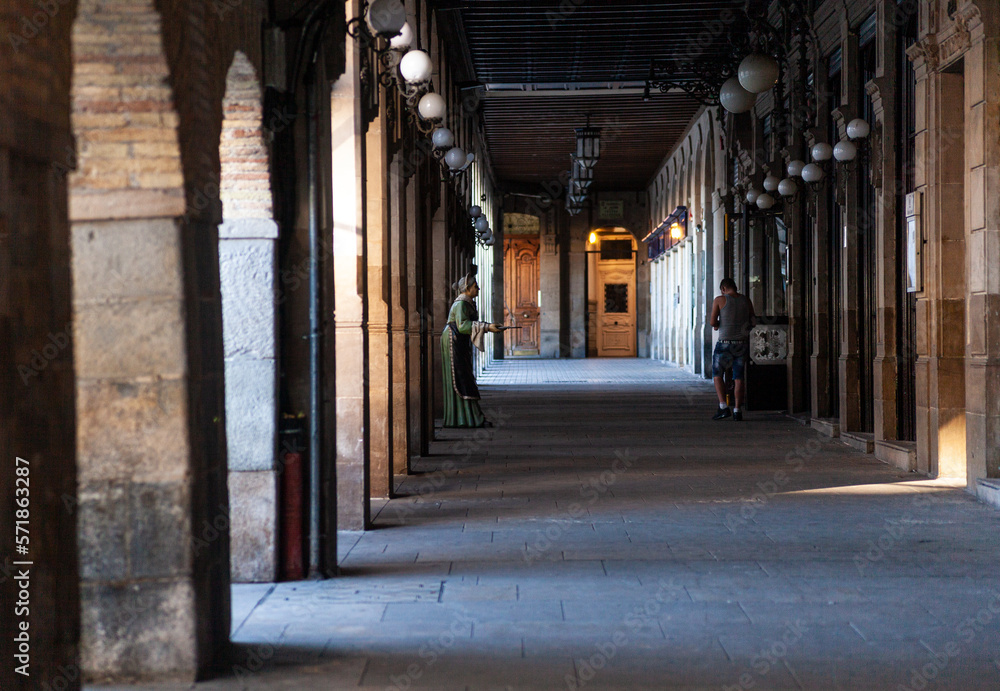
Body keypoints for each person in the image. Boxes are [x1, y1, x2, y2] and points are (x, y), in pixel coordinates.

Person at [441, 271, 502, 428]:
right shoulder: (461, 303)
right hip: (452, 340)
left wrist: (488, 326)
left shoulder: (466, 302)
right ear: (467, 289)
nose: (478, 288)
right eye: (475, 286)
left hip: (457, 340)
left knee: (464, 377)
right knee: (461, 378)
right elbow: (462, 326)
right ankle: (465, 418)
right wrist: (487, 327)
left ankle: (466, 418)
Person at [709, 277, 756, 421]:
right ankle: (737, 410)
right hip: (741, 344)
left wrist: (719, 324)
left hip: (724, 343)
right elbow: (753, 321)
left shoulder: (719, 300)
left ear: (723, 289)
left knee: (717, 375)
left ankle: (723, 407)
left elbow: (712, 322)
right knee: (738, 378)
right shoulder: (746, 300)